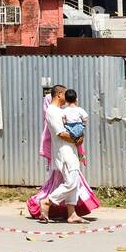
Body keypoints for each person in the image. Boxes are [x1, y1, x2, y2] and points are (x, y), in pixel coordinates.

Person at [26, 84, 101, 223]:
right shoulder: (52, 111)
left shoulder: (61, 111)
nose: (66, 97)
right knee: (72, 182)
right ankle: (47, 201)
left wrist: (80, 137)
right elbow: (61, 133)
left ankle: (71, 214)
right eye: (65, 94)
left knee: (73, 181)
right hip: (64, 152)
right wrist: (76, 138)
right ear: (59, 94)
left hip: (70, 150)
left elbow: (75, 126)